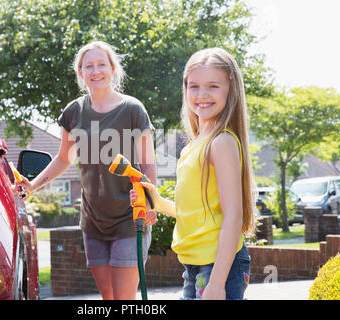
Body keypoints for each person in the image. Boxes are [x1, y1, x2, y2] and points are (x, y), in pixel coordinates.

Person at [19, 41, 157, 300]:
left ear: (113, 68)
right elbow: (63, 158)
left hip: (129, 215)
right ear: (81, 72)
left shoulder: (133, 110)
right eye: (88, 66)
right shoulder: (74, 112)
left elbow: (148, 161)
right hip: (93, 220)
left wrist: (150, 202)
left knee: (124, 298)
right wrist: (32, 185)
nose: (95, 71)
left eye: (101, 65)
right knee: (108, 297)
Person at [130, 47, 254, 300]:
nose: (202, 95)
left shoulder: (221, 143)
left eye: (213, 86)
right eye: (194, 86)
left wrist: (218, 284)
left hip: (220, 268)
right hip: (194, 268)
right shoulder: (193, 145)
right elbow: (197, 211)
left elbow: (233, 216)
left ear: (231, 88)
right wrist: (157, 201)